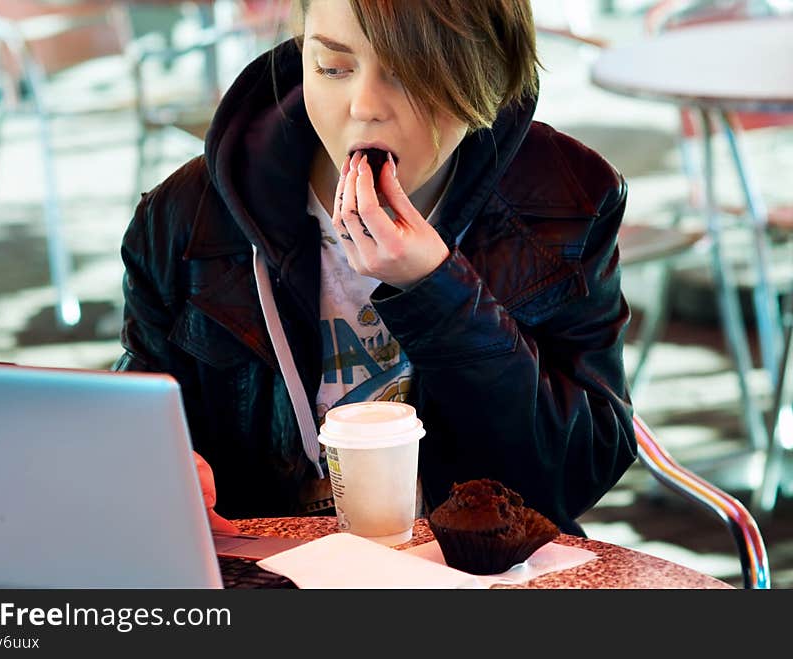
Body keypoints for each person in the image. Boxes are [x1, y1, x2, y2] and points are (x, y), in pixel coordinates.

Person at [113, 0, 637, 537]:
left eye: (409, 74)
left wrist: (435, 288)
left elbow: (575, 473)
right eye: (332, 68)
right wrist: (154, 467)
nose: (363, 106)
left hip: (477, 570)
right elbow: (130, 427)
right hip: (268, 567)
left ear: (492, 74)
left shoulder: (569, 196)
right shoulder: (186, 214)